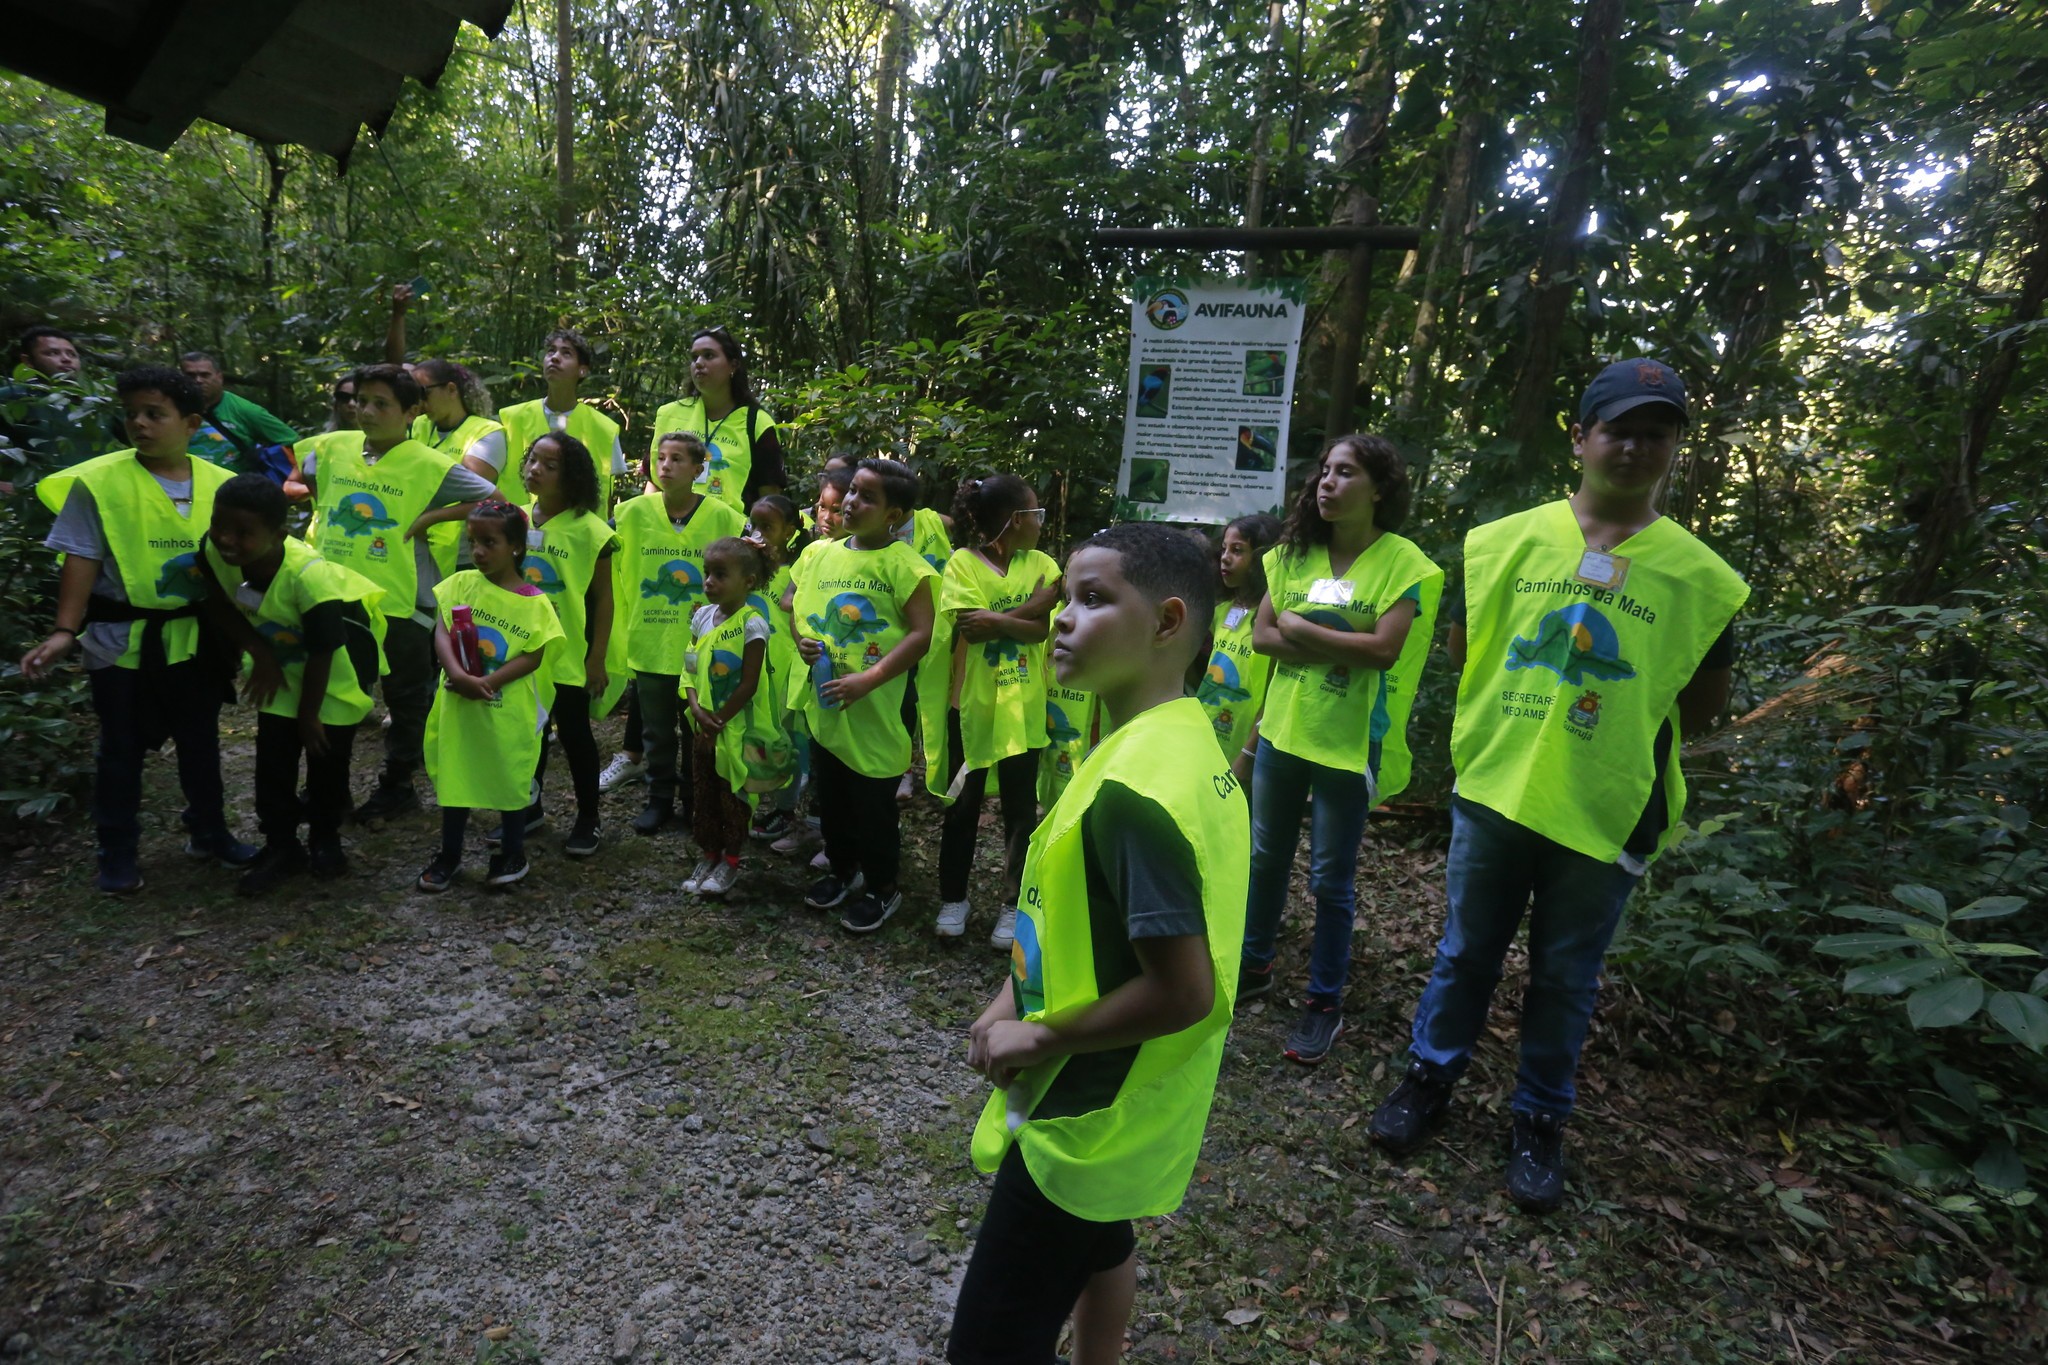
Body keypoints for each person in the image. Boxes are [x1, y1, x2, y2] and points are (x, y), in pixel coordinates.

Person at [1368, 359, 1747, 1213]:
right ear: (1580, 437)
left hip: (1610, 800)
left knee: (1567, 974)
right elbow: (1468, 649)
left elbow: (1703, 703)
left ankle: (1539, 1118)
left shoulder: (1702, 578)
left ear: (1676, 447)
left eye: (1658, 431)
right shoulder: (1506, 539)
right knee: (1466, 949)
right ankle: (1427, 1080)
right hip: (1499, 783)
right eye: (1620, 427)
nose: (1637, 446)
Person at [950, 523, 1249, 1365]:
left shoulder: (1134, 791)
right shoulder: (1183, 741)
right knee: (1103, 1239)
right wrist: (1014, 994)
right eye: (1065, 600)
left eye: (1093, 599)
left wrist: (1041, 1033)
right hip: (1139, 1099)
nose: (1062, 620)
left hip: (1083, 1112)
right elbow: (1098, 919)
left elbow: (1184, 988)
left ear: (1167, 622)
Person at [1239, 434, 1443, 1066]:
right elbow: (1263, 635)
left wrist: (1300, 627)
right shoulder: (1295, 553)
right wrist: (1325, 637)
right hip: (1283, 730)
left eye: (1345, 472)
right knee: (1266, 856)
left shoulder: (1401, 562)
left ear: (1378, 488)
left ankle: (1323, 1002)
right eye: (1325, 471)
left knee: (1331, 878)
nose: (1328, 483)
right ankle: (1254, 965)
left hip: (1351, 744)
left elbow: (1385, 650)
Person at [22, 366, 257, 892]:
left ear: (191, 421)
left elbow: (244, 562)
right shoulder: (99, 484)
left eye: (155, 414)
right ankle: (116, 850)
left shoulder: (222, 485)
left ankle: (210, 831)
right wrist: (65, 630)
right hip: (119, 640)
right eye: (131, 414)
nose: (140, 424)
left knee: (200, 742)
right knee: (121, 748)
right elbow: (81, 558)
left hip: (198, 639)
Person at [300, 364, 496, 823]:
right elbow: (311, 478)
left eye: (380, 404)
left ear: (411, 412)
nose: (365, 411)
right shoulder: (332, 447)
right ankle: (329, 788)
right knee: (339, 691)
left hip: (404, 599)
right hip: (338, 591)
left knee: (405, 695)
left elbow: (493, 499)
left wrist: (427, 518)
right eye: (360, 401)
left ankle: (399, 783)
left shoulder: (426, 463)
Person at [199, 474, 385, 895]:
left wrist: (309, 714)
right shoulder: (213, 550)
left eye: (243, 532)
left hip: (329, 681)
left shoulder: (309, 578)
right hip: (279, 674)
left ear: (278, 534)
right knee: (273, 766)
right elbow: (214, 600)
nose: (227, 539)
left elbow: (324, 650)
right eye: (219, 525)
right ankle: (282, 846)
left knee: (327, 764)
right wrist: (260, 654)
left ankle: (326, 839)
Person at [787, 457, 937, 933]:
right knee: (831, 801)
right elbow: (795, 607)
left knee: (873, 808)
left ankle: (881, 887)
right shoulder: (820, 554)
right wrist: (800, 641)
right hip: (827, 706)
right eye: (852, 491)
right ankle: (841, 870)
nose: (851, 502)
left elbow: (922, 633)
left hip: (873, 712)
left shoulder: (904, 564)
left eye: (868, 497)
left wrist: (868, 680)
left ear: (893, 514)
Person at [932, 474, 1060, 949]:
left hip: (1024, 705)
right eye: (1035, 514)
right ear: (1013, 521)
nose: (1040, 522)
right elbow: (974, 629)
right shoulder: (962, 565)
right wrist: (1033, 606)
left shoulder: (1042, 563)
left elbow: (1038, 631)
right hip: (970, 705)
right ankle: (953, 898)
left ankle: (1012, 905)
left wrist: (1007, 617)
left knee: (1019, 810)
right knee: (962, 804)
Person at [417, 500, 564, 891]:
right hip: (460, 704)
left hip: (505, 711)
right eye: (473, 542)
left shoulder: (534, 602)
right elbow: (442, 630)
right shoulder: (462, 584)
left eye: (489, 542)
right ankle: (449, 856)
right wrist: (457, 673)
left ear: (515, 546)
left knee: (509, 777)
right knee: (456, 774)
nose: (478, 551)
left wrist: (490, 682)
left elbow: (534, 654)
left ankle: (512, 852)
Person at [608, 432, 746, 833]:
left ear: (699, 469)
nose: (665, 466)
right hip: (649, 639)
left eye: (676, 459)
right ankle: (659, 799)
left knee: (698, 729)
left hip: (705, 646)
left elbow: (761, 546)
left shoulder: (723, 517)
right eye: (660, 458)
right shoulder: (631, 513)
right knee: (655, 728)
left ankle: (696, 799)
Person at [513, 430, 622, 857]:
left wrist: (596, 658)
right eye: (533, 460)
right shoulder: (514, 519)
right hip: (522, 650)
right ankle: (530, 807)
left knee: (575, 735)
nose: (536, 470)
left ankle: (588, 818)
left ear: (571, 476)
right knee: (529, 732)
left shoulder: (591, 531)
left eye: (550, 465)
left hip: (568, 651)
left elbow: (604, 600)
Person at [682, 537, 785, 896]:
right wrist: (696, 708)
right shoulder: (701, 617)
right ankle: (709, 854)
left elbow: (748, 683)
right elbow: (690, 666)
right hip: (703, 725)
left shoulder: (752, 625)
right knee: (704, 792)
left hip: (734, 729)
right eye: (707, 573)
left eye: (721, 575)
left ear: (748, 582)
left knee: (734, 797)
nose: (710, 581)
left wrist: (719, 720)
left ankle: (731, 862)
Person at [649, 327, 787, 513]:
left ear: (733, 365)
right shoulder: (669, 414)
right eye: (694, 357)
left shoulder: (757, 423)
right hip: (669, 533)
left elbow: (769, 497)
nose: (698, 363)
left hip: (729, 536)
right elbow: (654, 483)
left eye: (708, 355)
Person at [496, 330, 628, 509]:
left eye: (566, 353)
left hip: (578, 533)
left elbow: (608, 495)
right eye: (551, 351)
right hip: (516, 529)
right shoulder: (512, 418)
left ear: (582, 370)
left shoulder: (604, 428)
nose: (555, 357)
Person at [1198, 513, 1283, 787]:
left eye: (1237, 550)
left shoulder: (1273, 621)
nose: (1225, 558)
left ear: (1262, 558)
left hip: (1247, 749)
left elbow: (1275, 695)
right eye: (1223, 549)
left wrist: (1249, 753)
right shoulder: (1220, 611)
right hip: (1206, 739)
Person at [410, 358, 505, 577]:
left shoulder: (487, 432)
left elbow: (481, 499)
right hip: (415, 543)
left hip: (463, 555)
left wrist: (427, 518)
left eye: (424, 393)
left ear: (451, 389)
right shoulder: (419, 426)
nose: (419, 403)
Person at [2, 325, 108, 484]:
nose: (66, 359)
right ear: (28, 361)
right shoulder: (10, 397)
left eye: (72, 354)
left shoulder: (98, 403)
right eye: (52, 353)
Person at [178, 350, 300, 478]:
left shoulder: (245, 410)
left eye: (205, 375)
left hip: (234, 489)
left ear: (219, 377)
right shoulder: (171, 408)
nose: (198, 381)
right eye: (190, 376)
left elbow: (293, 442)